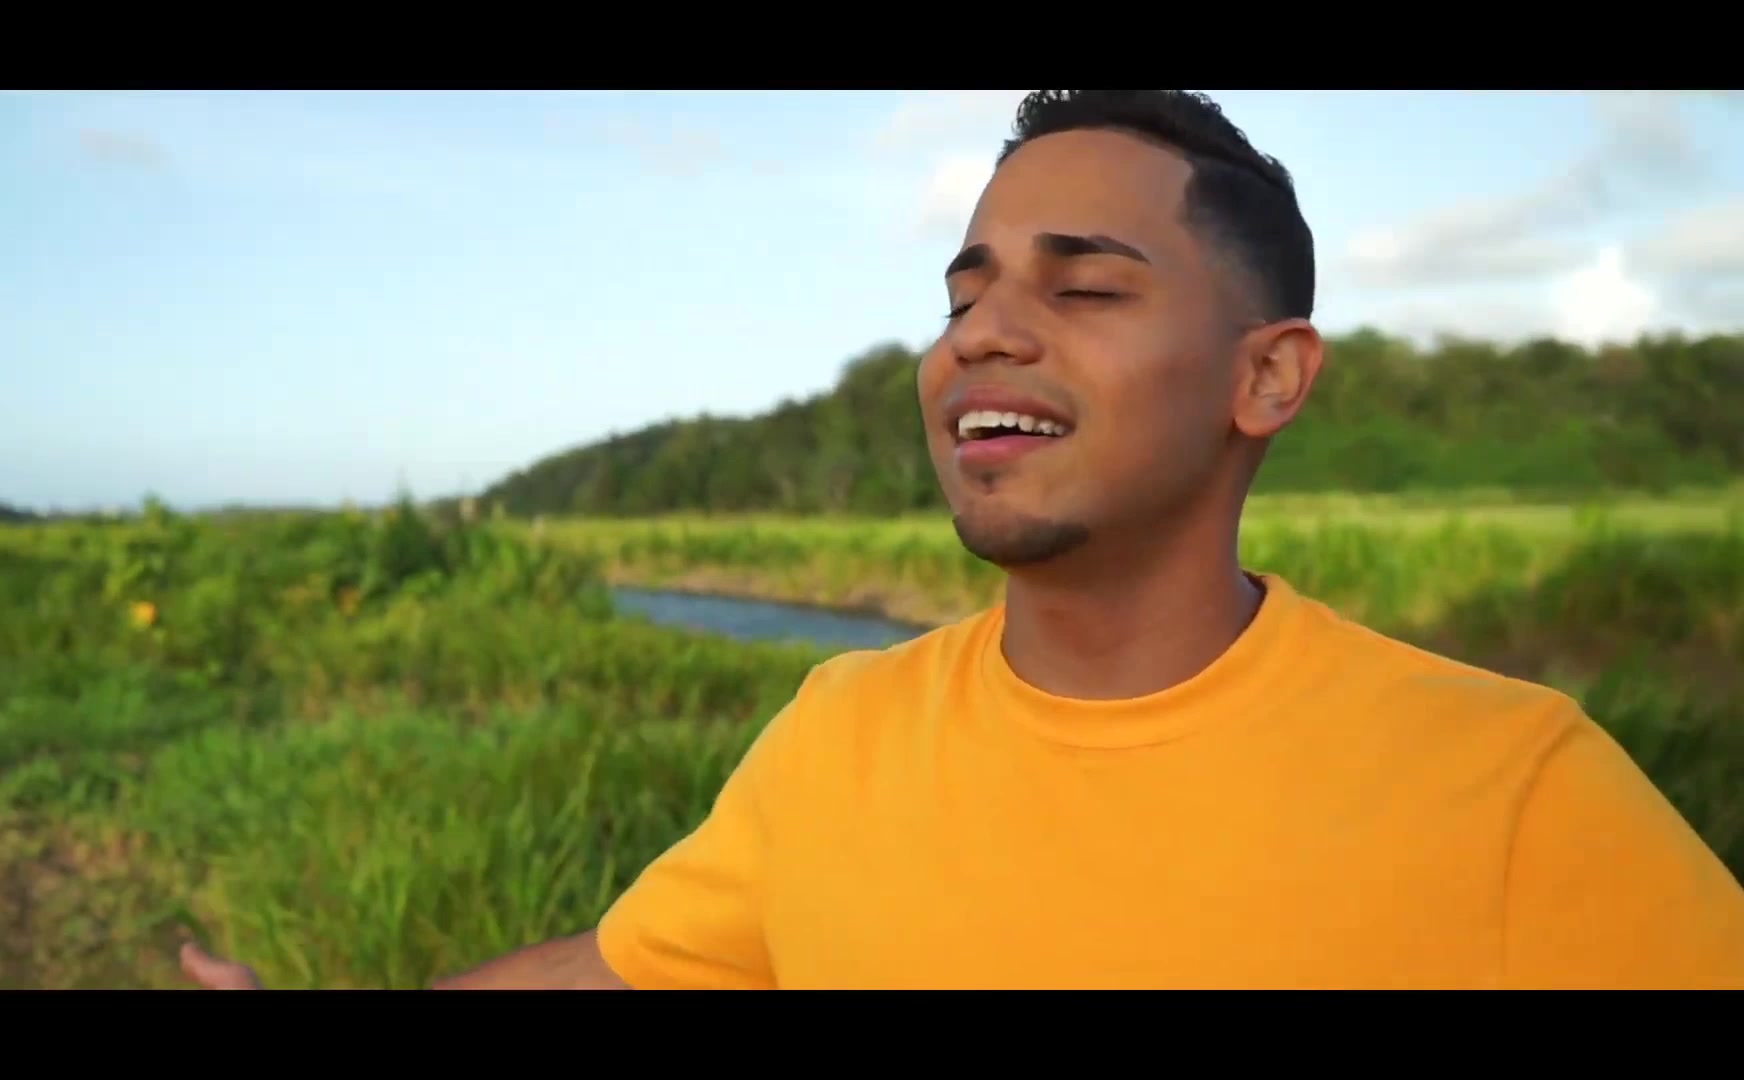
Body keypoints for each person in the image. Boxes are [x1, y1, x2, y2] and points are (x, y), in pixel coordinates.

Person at [180, 89, 1744, 991]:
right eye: (962, 293)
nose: (981, 334)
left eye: (1085, 286)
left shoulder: (1517, 793)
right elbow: (627, 970)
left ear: (1267, 377)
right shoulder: (839, 731)